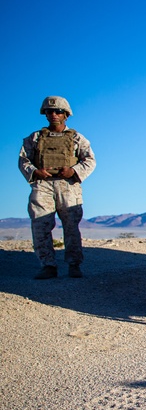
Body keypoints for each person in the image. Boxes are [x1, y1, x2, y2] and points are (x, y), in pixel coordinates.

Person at [18, 96, 96, 279]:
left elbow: (90, 160)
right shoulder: (35, 138)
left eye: (58, 111)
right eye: (49, 111)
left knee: (71, 227)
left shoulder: (77, 138)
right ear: (44, 114)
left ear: (66, 114)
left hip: (68, 186)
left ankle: (74, 264)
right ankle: (48, 266)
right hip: (43, 185)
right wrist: (35, 172)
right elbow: (23, 160)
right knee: (40, 226)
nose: (53, 114)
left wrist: (74, 171)